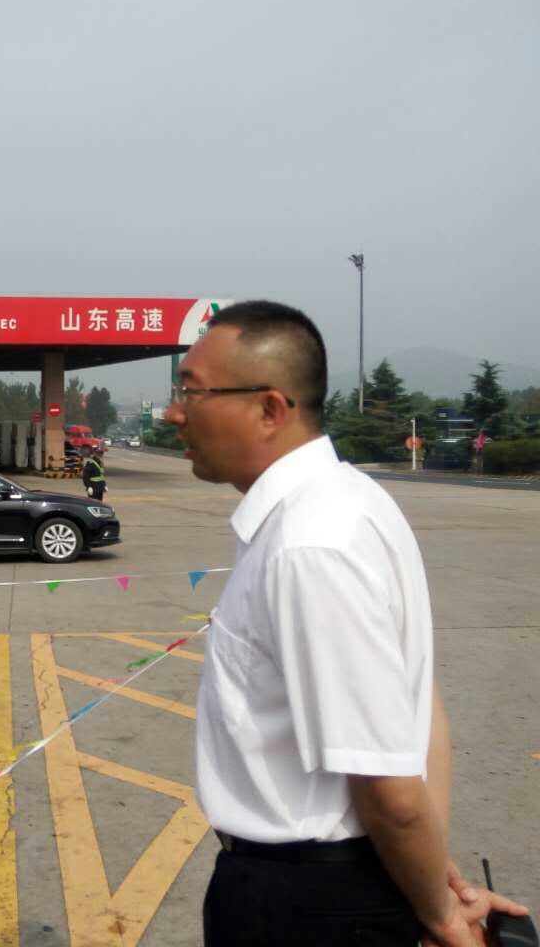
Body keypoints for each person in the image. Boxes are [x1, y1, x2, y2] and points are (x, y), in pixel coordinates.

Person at [165, 301, 528, 946]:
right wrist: (430, 882)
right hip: (350, 883)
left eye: (191, 392)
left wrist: (443, 916)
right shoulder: (348, 502)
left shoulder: (310, 546)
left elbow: (387, 787)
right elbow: (420, 712)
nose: (173, 413)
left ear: (269, 409)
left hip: (307, 906)